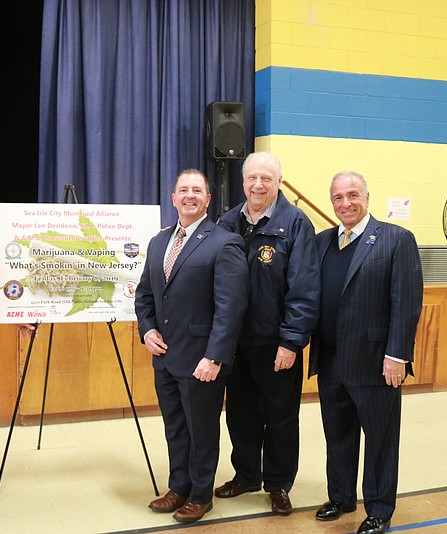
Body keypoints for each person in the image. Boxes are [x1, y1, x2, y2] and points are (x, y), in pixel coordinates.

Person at [309, 171, 423, 534]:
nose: (346, 203)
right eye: (338, 197)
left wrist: (398, 355)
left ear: (367, 197)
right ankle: (341, 496)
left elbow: (406, 303)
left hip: (377, 363)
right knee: (338, 434)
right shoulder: (322, 241)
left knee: (380, 440)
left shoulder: (395, 240)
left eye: (352, 195)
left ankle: (378, 509)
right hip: (330, 360)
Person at [135, 169, 248, 524]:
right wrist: (148, 330)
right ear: (173, 198)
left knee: (202, 431)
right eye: (183, 190)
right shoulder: (159, 241)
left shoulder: (224, 242)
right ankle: (178, 487)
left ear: (207, 199)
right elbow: (145, 295)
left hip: (202, 362)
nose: (189, 196)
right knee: (175, 428)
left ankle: (200, 495)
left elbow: (231, 308)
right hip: (165, 359)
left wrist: (214, 356)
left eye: (196, 190)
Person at [214, 152, 320, 515]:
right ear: (243, 182)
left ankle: (278, 483)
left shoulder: (295, 223)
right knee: (240, 413)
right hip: (235, 344)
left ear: (278, 182)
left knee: (281, 416)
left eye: (266, 179)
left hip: (277, 345)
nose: (258, 185)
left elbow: (304, 288)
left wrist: (291, 341)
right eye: (252, 178)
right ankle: (246, 474)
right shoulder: (227, 222)